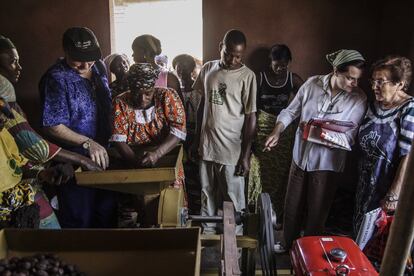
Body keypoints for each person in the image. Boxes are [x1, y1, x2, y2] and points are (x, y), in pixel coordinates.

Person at [264, 49, 367, 250]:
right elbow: (290, 111)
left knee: (317, 213)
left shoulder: (358, 98)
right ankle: (286, 244)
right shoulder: (312, 84)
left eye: (357, 79)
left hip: (327, 164)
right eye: (349, 78)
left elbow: (349, 138)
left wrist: (318, 132)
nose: (354, 84)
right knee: (292, 206)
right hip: (300, 157)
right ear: (336, 71)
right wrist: (277, 131)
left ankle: (308, 252)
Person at [0, 34, 102, 228]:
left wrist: (42, 174)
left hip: (19, 182)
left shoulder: (11, 104)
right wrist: (82, 157)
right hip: (6, 191)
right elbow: (33, 145)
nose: (19, 67)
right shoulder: (54, 79)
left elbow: (15, 156)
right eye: (12, 62)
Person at [39, 27, 117, 228]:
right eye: (78, 59)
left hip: (106, 156)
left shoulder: (98, 67)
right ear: (65, 51)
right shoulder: (56, 79)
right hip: (74, 160)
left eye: (90, 58)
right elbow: (52, 126)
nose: (85, 65)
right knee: (80, 220)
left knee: (107, 216)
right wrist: (87, 143)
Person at [193, 29, 257, 234]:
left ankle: (234, 245)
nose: (232, 59)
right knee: (206, 194)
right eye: (228, 53)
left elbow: (250, 117)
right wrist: (197, 138)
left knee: (232, 199)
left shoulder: (247, 77)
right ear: (220, 46)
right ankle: (207, 237)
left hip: (231, 151)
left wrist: (245, 156)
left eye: (238, 56)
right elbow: (203, 104)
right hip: (207, 146)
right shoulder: (207, 69)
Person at [110, 63, 186, 226]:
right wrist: (139, 166)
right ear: (130, 88)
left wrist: (157, 154)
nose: (142, 99)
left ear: (154, 87)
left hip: (166, 157)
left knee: (169, 212)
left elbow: (178, 132)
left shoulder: (167, 96)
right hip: (133, 161)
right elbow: (118, 140)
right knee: (138, 214)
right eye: (137, 93)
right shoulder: (120, 102)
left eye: (148, 93)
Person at [354, 56, 414, 236]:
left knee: (379, 242)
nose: (374, 87)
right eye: (373, 81)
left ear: (400, 84)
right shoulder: (372, 107)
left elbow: (408, 157)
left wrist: (393, 195)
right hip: (365, 185)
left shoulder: (409, 109)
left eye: (381, 82)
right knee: (360, 235)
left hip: (388, 191)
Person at [0, 98, 73, 228]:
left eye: (4, 116)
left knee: (55, 241)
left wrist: (42, 174)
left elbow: (18, 168)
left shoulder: (4, 134)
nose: (4, 120)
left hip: (20, 197)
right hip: (5, 207)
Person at [252, 44, 303, 216]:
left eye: (284, 65)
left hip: (283, 127)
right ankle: (261, 211)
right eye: (276, 65)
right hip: (263, 124)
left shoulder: (293, 79)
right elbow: (251, 106)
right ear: (270, 62)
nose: (280, 69)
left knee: (281, 171)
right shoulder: (260, 78)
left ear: (289, 63)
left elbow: (305, 100)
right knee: (262, 168)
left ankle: (277, 212)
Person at [173, 54, 201, 214]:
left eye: (185, 68)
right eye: (179, 68)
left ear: (192, 70)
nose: (182, 71)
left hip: (195, 137)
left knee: (196, 176)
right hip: (178, 139)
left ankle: (196, 210)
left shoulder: (199, 92)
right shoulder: (174, 91)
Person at [131, 35, 182, 100]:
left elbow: (179, 107)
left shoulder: (169, 78)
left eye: (134, 51)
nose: (132, 55)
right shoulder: (132, 76)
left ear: (144, 53)